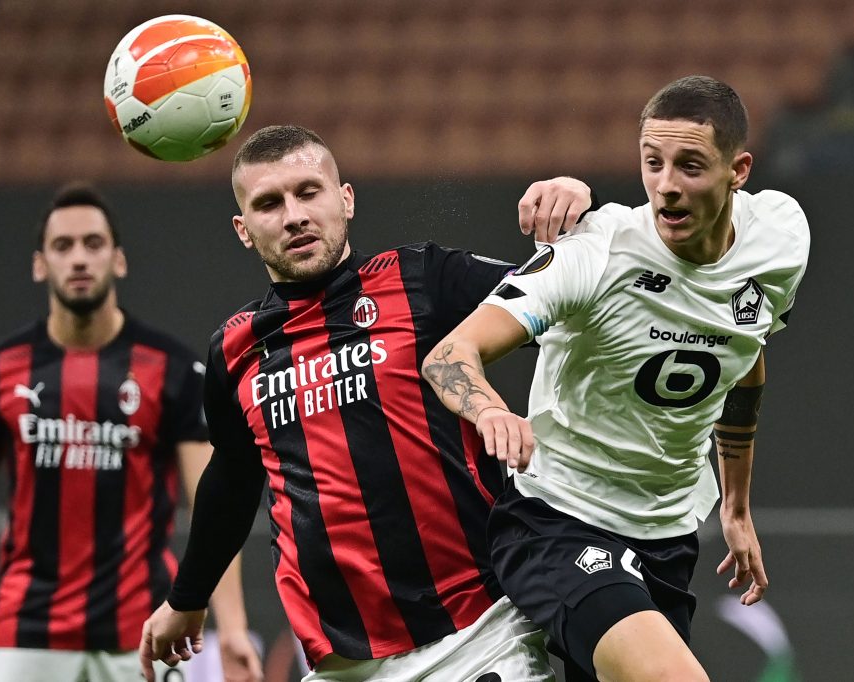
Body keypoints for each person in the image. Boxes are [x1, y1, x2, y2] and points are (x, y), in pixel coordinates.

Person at [138, 125, 594, 682]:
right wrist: (187, 597)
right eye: (268, 204)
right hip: (343, 663)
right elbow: (233, 482)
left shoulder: (423, 279)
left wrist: (583, 214)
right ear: (243, 230)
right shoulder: (234, 349)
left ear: (345, 199)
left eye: (309, 192)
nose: (294, 216)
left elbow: (579, 299)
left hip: (478, 634)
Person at [421, 75, 811, 681]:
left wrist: (735, 505)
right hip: (559, 522)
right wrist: (491, 411)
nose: (667, 187)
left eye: (690, 166)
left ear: (739, 170)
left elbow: (744, 354)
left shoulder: (781, 239)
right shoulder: (596, 252)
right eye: (652, 164)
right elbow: (450, 355)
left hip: (668, 536)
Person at [0, 184, 263, 682]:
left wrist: (233, 628)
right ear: (40, 264)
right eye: (63, 246)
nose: (79, 259)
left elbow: (210, 499)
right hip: (27, 635)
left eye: (93, 243)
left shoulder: (171, 370)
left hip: (145, 630)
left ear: (119, 260)